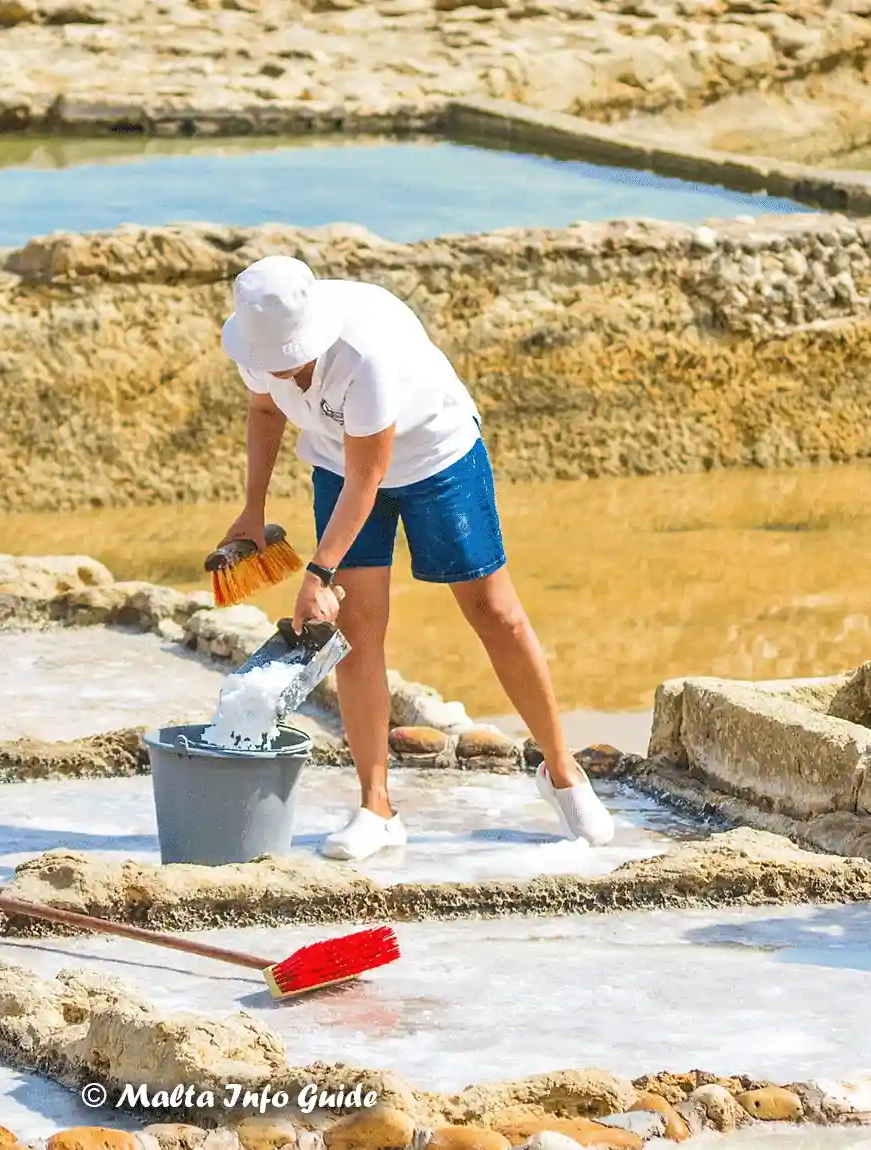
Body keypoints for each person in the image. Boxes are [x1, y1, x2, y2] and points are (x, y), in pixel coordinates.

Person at [217, 255, 614, 861]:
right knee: (355, 627)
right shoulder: (257, 336)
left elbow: (368, 476)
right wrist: (252, 508)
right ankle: (376, 807)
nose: (279, 368)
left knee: (494, 610)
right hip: (334, 463)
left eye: (289, 357)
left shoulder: (365, 349)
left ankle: (563, 772)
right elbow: (266, 411)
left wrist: (318, 571)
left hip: (435, 457)